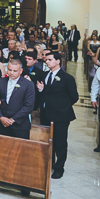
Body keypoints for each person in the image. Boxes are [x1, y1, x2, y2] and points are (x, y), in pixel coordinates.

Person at [37, 51, 78, 179]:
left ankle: (59, 168)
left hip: (61, 115)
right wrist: (41, 90)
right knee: (47, 140)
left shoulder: (67, 78)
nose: (47, 62)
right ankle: (49, 163)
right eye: (46, 60)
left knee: (60, 142)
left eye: (49, 59)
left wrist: (61, 105)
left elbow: (74, 97)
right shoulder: (44, 75)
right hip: (46, 113)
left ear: (58, 61)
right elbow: (43, 94)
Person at [0, 58, 35, 139]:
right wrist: (1, 117)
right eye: (10, 70)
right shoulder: (0, 81)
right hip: (2, 123)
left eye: (15, 71)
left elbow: (29, 106)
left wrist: (12, 120)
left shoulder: (28, 84)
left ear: (21, 71)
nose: (11, 73)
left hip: (20, 124)